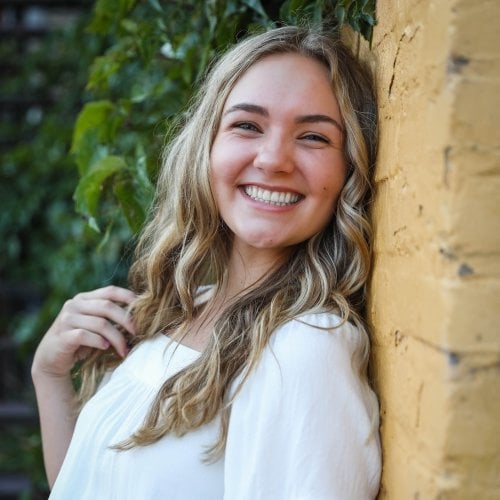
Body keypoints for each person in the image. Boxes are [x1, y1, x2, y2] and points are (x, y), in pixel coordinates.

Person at [32, 25, 381, 499]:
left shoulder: (303, 350)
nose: (274, 159)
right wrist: (50, 377)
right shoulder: (178, 311)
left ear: (349, 169)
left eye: (314, 136)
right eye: (248, 125)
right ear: (207, 148)